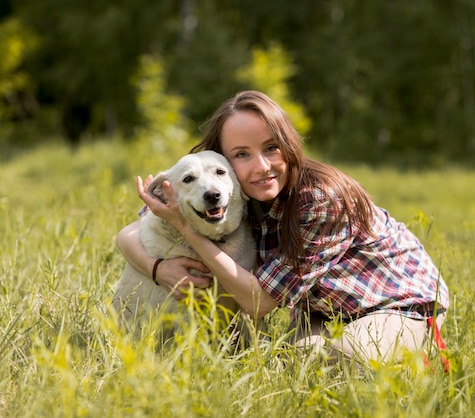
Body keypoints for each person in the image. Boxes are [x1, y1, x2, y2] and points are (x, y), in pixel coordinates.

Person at [116, 90, 449, 365]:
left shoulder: (318, 199)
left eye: (271, 148)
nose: (261, 167)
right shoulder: (219, 187)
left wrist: (189, 233)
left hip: (399, 304)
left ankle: (420, 354)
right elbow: (130, 233)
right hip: (323, 309)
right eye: (242, 154)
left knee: (327, 360)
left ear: (289, 145)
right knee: (293, 362)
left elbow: (258, 303)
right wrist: (158, 269)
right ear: (224, 161)